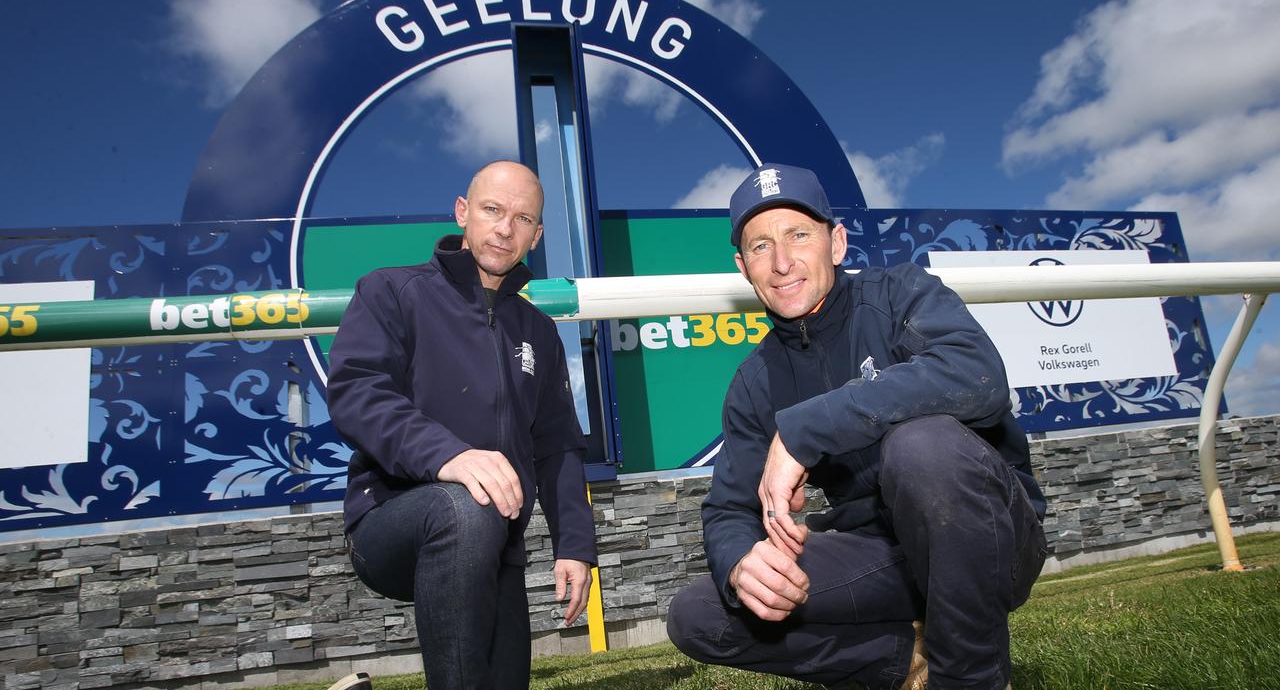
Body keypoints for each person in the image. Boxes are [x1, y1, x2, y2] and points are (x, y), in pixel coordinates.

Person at [666, 163, 1048, 690]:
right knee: (701, 612)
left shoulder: (899, 293)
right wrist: (740, 562)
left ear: (837, 242)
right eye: (760, 247)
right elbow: (729, 508)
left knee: (921, 445)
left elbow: (977, 376)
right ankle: (904, 657)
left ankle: (972, 677)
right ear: (743, 266)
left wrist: (803, 430)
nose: (781, 262)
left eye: (798, 235)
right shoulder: (755, 381)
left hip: (989, 542)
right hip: (884, 560)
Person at [327, 160, 597, 690]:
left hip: (496, 548)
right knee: (465, 506)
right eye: (493, 210)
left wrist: (574, 546)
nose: (504, 228)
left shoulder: (540, 333)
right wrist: (447, 455)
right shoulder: (391, 291)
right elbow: (357, 392)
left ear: (537, 235)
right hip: (390, 517)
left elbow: (558, 447)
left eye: (522, 218)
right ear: (462, 213)